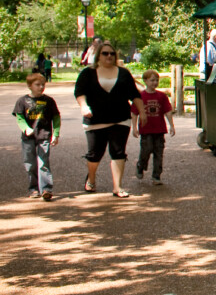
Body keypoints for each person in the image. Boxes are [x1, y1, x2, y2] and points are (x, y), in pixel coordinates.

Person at [74, 40, 146, 198]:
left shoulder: (123, 73)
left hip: (120, 118)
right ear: (98, 56)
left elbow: (134, 94)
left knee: (118, 152)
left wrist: (142, 112)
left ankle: (117, 187)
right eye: (105, 53)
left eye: (112, 53)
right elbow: (79, 92)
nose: (109, 56)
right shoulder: (88, 73)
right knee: (95, 153)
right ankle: (91, 179)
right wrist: (84, 106)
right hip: (95, 119)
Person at [13, 72, 60, 201]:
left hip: (44, 135)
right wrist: (26, 128)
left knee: (43, 163)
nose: (41, 87)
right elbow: (19, 117)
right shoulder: (22, 101)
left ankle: (46, 189)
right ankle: (33, 188)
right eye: (37, 84)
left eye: (43, 84)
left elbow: (56, 118)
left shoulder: (49, 101)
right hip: (28, 138)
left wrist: (55, 134)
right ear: (30, 86)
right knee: (30, 164)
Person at [134, 69, 174, 184]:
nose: (155, 83)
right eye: (152, 80)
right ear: (145, 81)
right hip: (146, 129)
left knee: (158, 153)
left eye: (156, 80)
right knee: (146, 150)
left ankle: (156, 176)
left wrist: (171, 125)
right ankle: (141, 166)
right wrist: (134, 127)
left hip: (159, 129)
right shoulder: (140, 97)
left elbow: (167, 111)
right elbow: (134, 113)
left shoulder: (162, 96)